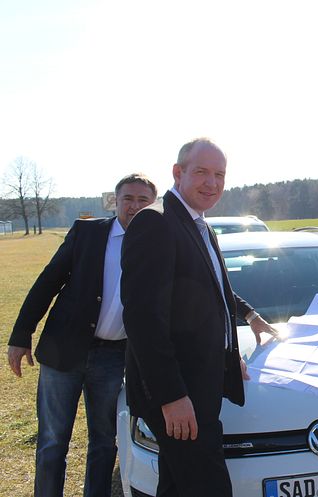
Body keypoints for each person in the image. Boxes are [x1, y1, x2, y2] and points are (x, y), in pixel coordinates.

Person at [120, 138, 275, 497]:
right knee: (208, 487)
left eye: (219, 175)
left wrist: (229, 350)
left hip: (200, 386)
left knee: (178, 486)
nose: (212, 183)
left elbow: (212, 296)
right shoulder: (155, 223)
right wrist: (171, 396)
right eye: (202, 172)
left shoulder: (199, 225)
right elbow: (143, 320)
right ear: (178, 172)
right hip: (177, 392)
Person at [7, 173, 158, 497]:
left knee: (104, 442)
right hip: (64, 351)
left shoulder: (156, 246)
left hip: (114, 358)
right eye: (127, 199)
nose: (134, 206)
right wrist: (21, 335)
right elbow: (49, 281)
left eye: (142, 200)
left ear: (152, 205)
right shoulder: (88, 233)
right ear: (114, 202)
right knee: (52, 441)